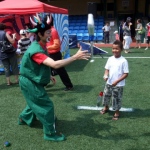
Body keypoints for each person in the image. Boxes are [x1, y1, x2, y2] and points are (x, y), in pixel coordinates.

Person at [18, 14, 90, 142]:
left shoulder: (41, 44)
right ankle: (50, 134)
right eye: (47, 32)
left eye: (50, 32)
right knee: (46, 105)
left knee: (34, 101)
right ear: (40, 34)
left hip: (31, 79)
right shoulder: (36, 50)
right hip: (29, 81)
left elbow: (40, 65)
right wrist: (75, 57)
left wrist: (49, 75)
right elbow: (55, 64)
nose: (50, 35)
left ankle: (24, 118)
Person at [100, 40, 129, 120]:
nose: (114, 50)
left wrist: (117, 81)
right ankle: (106, 107)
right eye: (113, 48)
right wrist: (105, 75)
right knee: (106, 96)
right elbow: (107, 69)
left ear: (121, 49)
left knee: (116, 98)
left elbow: (126, 74)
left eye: (117, 49)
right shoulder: (110, 59)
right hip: (108, 83)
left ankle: (116, 112)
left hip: (118, 85)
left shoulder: (123, 61)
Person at [46, 17, 73, 91]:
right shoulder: (47, 31)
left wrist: (46, 47)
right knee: (45, 70)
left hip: (55, 55)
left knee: (61, 71)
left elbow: (57, 45)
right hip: (49, 54)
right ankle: (44, 83)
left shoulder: (53, 31)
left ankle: (69, 85)